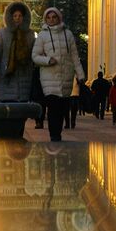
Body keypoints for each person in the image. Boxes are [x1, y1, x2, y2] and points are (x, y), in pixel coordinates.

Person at [32, 7, 85, 142]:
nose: (51, 20)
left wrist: (80, 74)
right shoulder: (43, 36)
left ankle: (58, 134)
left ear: (59, 18)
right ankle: (54, 135)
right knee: (53, 107)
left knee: (62, 109)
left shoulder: (68, 34)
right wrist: (47, 60)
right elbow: (35, 56)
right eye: (48, 18)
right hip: (49, 78)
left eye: (54, 17)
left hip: (66, 77)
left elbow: (74, 56)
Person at [0, 1, 35, 102]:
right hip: (6, 75)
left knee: (22, 107)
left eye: (20, 16)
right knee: (8, 103)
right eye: (15, 16)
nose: (17, 18)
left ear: (24, 17)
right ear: (11, 17)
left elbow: (33, 54)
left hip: (24, 74)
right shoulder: (2, 33)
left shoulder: (30, 34)